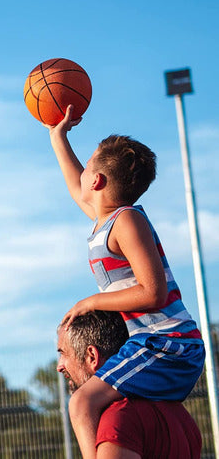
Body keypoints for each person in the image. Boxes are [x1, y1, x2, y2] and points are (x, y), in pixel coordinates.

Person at [44, 105, 205, 459]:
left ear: (98, 181)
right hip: (154, 342)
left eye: (87, 167)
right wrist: (58, 137)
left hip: (170, 343)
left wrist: (90, 301)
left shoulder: (127, 220)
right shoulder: (105, 221)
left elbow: (153, 292)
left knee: (81, 404)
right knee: (104, 407)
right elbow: (76, 187)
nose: (81, 174)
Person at [57, 311, 202, 458]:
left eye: (63, 353)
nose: (59, 366)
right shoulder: (181, 416)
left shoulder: (119, 420)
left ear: (92, 356)